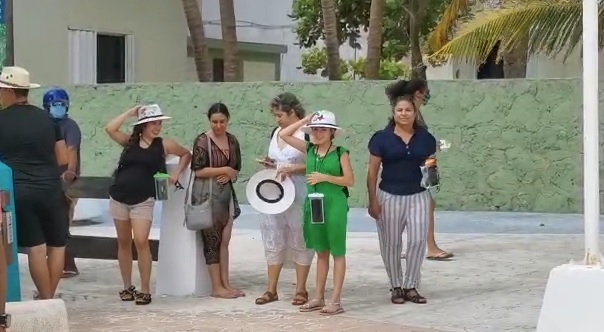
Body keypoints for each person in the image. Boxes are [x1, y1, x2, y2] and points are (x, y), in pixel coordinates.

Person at [105, 104, 192, 305]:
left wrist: (177, 173)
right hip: (120, 196)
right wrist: (128, 112)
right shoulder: (130, 142)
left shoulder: (164, 144)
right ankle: (127, 286)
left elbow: (186, 154)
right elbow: (110, 129)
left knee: (142, 241)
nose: (157, 127)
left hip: (143, 199)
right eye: (153, 123)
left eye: (159, 123)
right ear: (143, 125)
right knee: (123, 242)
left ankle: (145, 289)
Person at [0, 66, 70, 300]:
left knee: (36, 248)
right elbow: (64, 158)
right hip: (51, 188)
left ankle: (47, 299)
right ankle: (49, 299)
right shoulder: (48, 120)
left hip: (20, 190)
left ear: (10, 91)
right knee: (58, 245)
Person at [279, 110, 354, 316]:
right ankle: (318, 297)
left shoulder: (340, 153)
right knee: (321, 251)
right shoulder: (309, 149)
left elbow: (349, 181)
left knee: (337, 251)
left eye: (323, 129)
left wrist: (325, 177)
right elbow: (284, 135)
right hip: (314, 204)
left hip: (335, 203)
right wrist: (305, 120)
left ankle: (336, 300)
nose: (318, 133)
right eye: (315, 129)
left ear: (332, 132)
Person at [367, 90, 437, 304]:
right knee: (391, 243)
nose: (404, 113)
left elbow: (431, 167)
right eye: (400, 110)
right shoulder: (381, 138)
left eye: (408, 110)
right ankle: (396, 285)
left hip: (418, 195)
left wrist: (432, 195)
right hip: (389, 195)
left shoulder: (426, 138)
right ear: (393, 112)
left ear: (415, 113)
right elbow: (372, 172)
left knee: (417, 241)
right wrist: (373, 200)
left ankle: (411, 285)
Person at [254, 93, 314, 306]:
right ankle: (271, 289)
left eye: (280, 115)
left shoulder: (307, 134)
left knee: (301, 237)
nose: (277, 119)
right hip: (275, 192)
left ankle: (301, 289)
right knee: (273, 236)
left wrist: (294, 168)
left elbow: (317, 163)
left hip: (299, 191)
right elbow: (277, 159)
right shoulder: (276, 132)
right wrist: (271, 163)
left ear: (292, 112)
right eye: (275, 115)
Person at [390, 79, 453, 261]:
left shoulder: (414, 113)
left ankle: (404, 246)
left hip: (421, 165)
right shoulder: (411, 114)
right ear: (418, 93)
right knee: (423, 205)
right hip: (415, 167)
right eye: (424, 93)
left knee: (415, 207)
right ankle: (430, 247)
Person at [191, 103, 244, 299]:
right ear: (209, 121)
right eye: (214, 121)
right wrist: (225, 170)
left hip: (226, 196)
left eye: (222, 121)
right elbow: (198, 170)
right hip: (207, 197)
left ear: (228, 121)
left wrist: (231, 174)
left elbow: (236, 168)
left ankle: (226, 284)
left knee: (225, 241)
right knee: (212, 241)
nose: (218, 125)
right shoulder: (203, 141)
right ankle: (216, 287)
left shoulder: (232, 141)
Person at [42, 88, 82, 278]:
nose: (58, 108)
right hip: (49, 180)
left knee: (63, 224)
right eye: (54, 105)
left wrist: (70, 171)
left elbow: (71, 149)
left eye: (61, 104)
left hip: (66, 183)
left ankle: (68, 264)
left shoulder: (70, 125)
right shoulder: (45, 125)